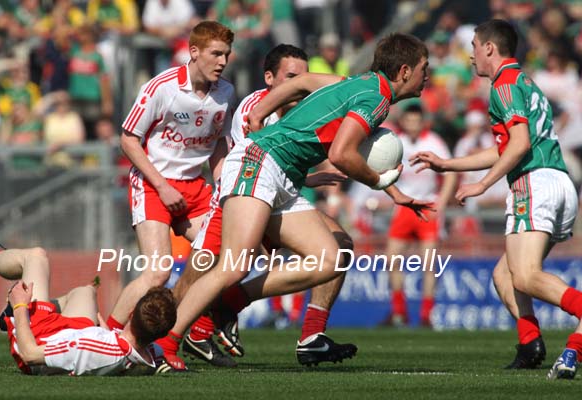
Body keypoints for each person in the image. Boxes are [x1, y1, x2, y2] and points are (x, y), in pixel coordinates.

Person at [169, 33, 433, 368]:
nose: (429, 75)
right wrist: (379, 180)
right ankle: (167, 341)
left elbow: (305, 82)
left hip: (279, 174)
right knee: (229, 267)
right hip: (259, 164)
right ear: (406, 71)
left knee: (330, 257)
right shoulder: (376, 99)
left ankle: (232, 307)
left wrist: (395, 193)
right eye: (425, 68)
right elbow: (341, 154)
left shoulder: (363, 83)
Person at [158, 44, 356, 369]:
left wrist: (307, 179)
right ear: (269, 78)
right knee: (193, 282)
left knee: (340, 246)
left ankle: (311, 338)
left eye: (305, 78)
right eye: (292, 77)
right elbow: (258, 166)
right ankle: (149, 342)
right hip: (236, 198)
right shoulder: (254, 107)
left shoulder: (306, 109)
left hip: (276, 196)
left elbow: (284, 163)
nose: (300, 84)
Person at [410, 19, 580, 379]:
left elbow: (518, 146)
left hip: (533, 183)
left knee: (525, 276)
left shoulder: (503, 84)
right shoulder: (524, 82)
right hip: (557, 181)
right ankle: (530, 345)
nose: (469, 55)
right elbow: (507, 144)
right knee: (504, 276)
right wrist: (448, 163)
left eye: (473, 45)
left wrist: (482, 185)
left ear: (489, 48)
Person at [104, 21, 234, 372]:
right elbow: (128, 139)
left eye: (226, 54)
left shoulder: (225, 93)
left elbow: (218, 142)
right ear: (194, 52)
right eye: (215, 53)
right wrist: (161, 185)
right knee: (158, 271)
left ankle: (190, 331)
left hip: (194, 188)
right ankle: (109, 338)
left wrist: (222, 183)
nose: (222, 61)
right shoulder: (161, 87)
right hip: (154, 184)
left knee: (228, 256)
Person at [0, 207, 177, 376]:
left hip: (39, 338)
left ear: (132, 313)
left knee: (36, 257)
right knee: (86, 292)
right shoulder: (150, 353)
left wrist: (19, 306)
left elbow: (30, 355)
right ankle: (18, 311)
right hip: (74, 333)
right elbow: (131, 354)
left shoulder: (93, 347)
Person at [383, 103, 457, 328]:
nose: (413, 125)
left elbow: (450, 173)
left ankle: (426, 315)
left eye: (417, 121)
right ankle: (399, 312)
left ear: (423, 122)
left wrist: (441, 204)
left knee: (428, 264)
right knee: (392, 259)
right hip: (405, 207)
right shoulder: (396, 142)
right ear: (403, 122)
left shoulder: (434, 142)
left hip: (427, 207)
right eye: (409, 121)